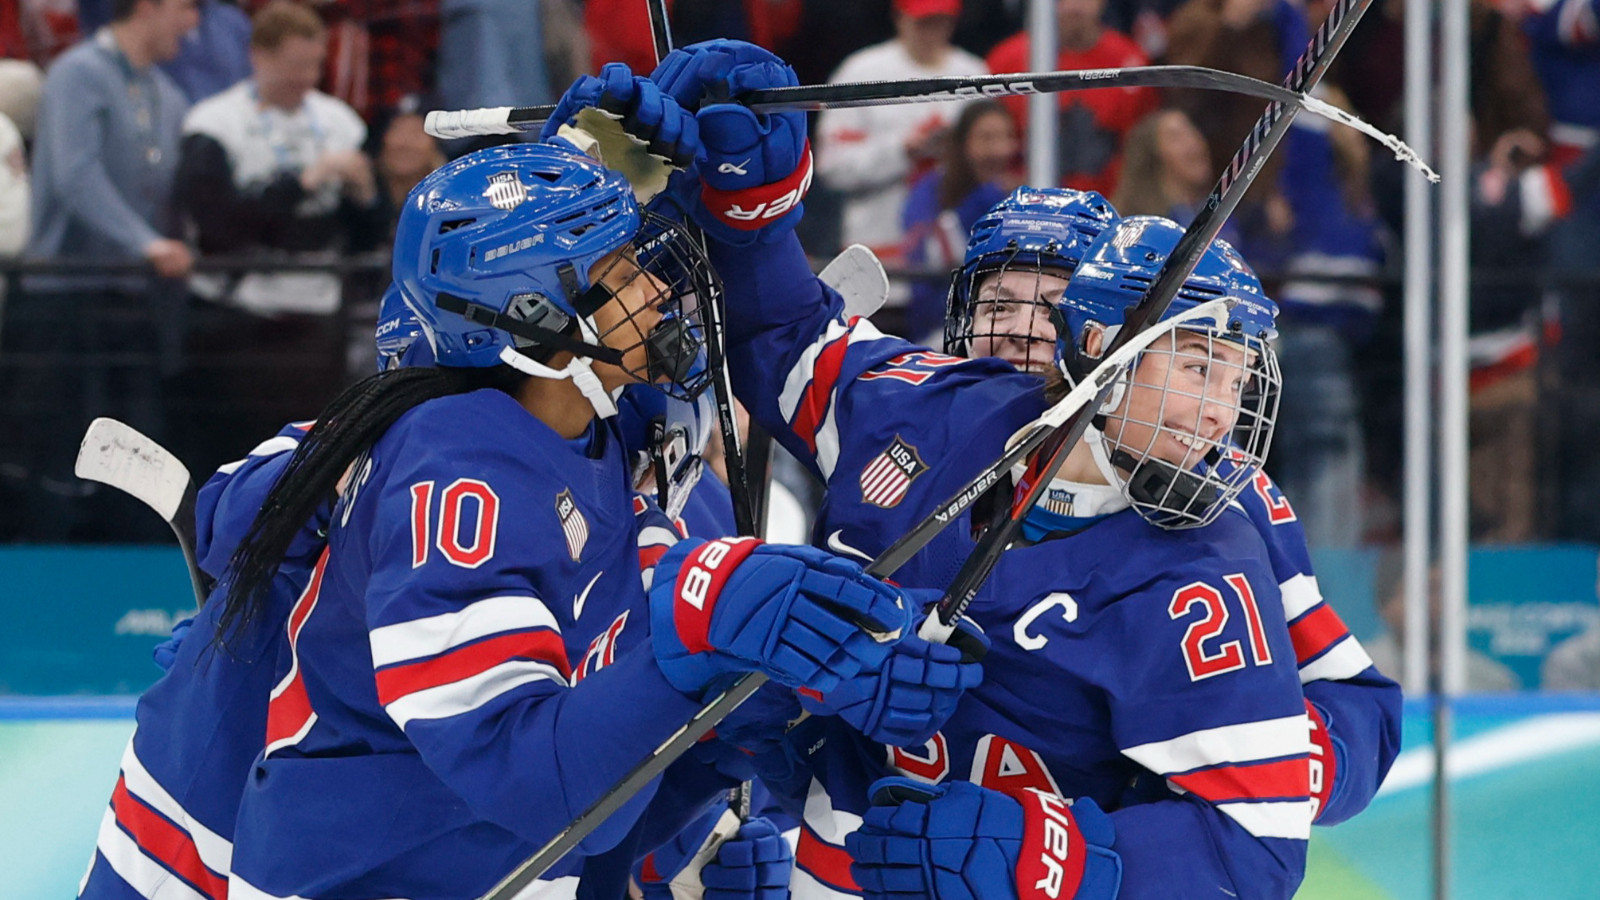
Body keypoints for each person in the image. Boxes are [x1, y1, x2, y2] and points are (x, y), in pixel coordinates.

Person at [649, 41, 1329, 900]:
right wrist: (752, 201)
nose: (1222, 412)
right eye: (1199, 369)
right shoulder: (930, 406)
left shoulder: (1207, 570)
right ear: (1097, 348)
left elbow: (1261, 843)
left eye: (1235, 380)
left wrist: (1059, 858)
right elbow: (776, 333)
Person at [211, 136, 927, 900]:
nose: (656, 291)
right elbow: (532, 781)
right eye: (621, 273)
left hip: (490, 862)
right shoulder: (460, 470)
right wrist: (695, 640)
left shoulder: (597, 431)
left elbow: (591, 777)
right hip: (372, 877)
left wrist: (705, 775)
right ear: (531, 316)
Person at [944, 186, 1398, 828]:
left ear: (1097, 331)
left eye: (1048, 309)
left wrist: (1251, 760)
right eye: (998, 304)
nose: (1020, 330)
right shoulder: (919, 452)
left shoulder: (1225, 493)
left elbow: (1360, 713)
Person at [7, 0, 198, 541]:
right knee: (60, 446)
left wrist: (171, 246)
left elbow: (170, 191)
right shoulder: (77, 74)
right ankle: (46, 578)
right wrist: (146, 244)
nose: (194, 24)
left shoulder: (168, 93)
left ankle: (130, 577)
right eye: (186, 8)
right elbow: (75, 174)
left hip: (132, 297)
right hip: (65, 292)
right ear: (150, 7)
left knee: (139, 445)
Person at [175, 0, 382, 317]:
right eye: (295, 65)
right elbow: (217, 225)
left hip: (322, 301)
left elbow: (372, 232)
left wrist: (366, 195)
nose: (307, 77)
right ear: (258, 56)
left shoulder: (341, 122)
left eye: (315, 65)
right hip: (235, 304)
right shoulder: (213, 123)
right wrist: (303, 182)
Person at [814, 0, 986, 329]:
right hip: (881, 264)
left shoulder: (976, 73)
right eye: (922, 21)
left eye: (940, 21)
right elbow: (832, 166)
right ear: (899, 18)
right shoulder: (861, 73)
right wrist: (902, 151)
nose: (931, 31)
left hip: (955, 264)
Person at [984, 0, 1158, 196]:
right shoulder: (1006, 61)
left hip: (1109, 204)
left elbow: (1143, 149)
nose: (1075, 6)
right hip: (1027, 203)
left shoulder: (1132, 61)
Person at [900, 99, 1020, 343]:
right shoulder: (930, 190)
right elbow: (930, 260)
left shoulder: (1015, 195)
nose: (1000, 149)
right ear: (962, 143)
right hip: (938, 330)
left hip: (1004, 326)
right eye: (987, 138)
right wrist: (987, 198)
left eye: (1007, 137)